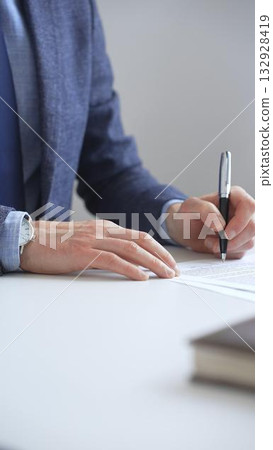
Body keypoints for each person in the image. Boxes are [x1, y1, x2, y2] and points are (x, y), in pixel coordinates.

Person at [0, 0, 255, 280]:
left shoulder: (71, 7)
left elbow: (109, 168)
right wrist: (21, 236)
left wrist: (175, 217)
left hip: (44, 297)